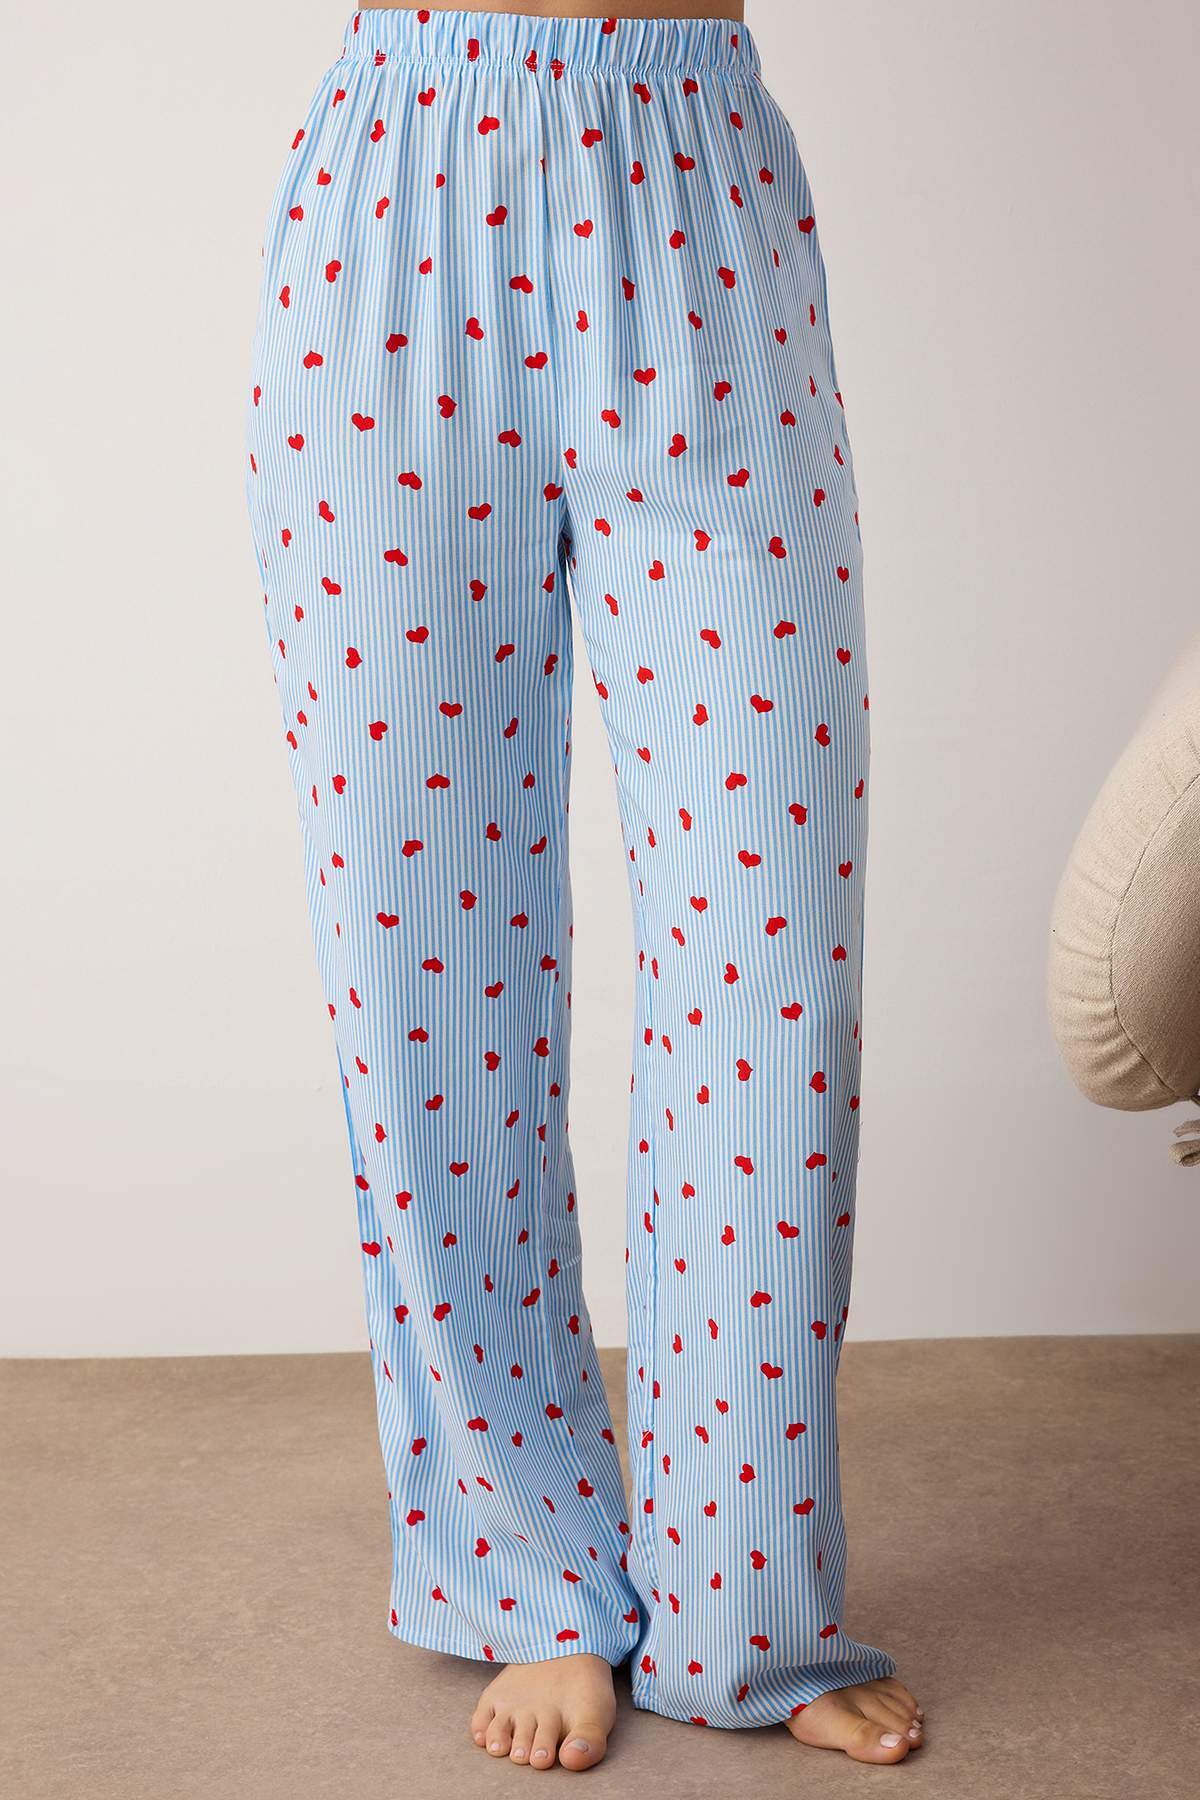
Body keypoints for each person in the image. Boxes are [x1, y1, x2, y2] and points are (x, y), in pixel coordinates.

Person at [245, 1, 922, 1773]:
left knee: (768, 951)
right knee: (424, 962)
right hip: (397, 191)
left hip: (696, 184)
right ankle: (524, 1563)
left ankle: (746, 1599)